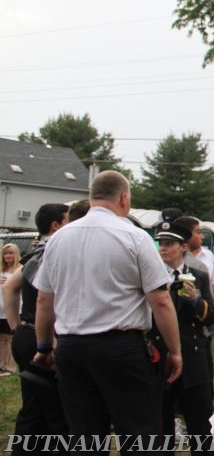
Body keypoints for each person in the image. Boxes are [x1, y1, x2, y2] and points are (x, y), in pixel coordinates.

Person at [32, 171, 183, 454]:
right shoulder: (135, 237)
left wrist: (43, 346)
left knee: (84, 435)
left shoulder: (58, 239)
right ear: (124, 198)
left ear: (91, 197)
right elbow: (160, 300)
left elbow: (44, 300)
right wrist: (175, 350)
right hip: (121, 348)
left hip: (71, 347)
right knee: (139, 434)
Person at [2, 203, 69, 455]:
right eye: (67, 220)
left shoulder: (34, 252)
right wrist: (47, 339)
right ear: (56, 225)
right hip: (44, 337)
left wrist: (16, 326)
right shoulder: (52, 251)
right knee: (54, 409)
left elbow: (9, 288)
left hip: (26, 332)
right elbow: (46, 299)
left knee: (32, 402)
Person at [151, 220, 214, 455]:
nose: (163, 249)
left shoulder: (197, 274)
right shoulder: (151, 273)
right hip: (160, 357)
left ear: (183, 248)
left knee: (200, 422)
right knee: (160, 424)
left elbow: (211, 317)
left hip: (193, 356)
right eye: (161, 244)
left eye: (169, 244)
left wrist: (196, 302)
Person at [1, 243, 23, 375]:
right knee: (2, 338)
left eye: (10, 253)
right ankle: (2, 364)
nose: (8, 256)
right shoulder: (1, 270)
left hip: (15, 309)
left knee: (12, 337)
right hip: (0, 310)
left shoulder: (20, 269)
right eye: (5, 253)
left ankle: (13, 365)